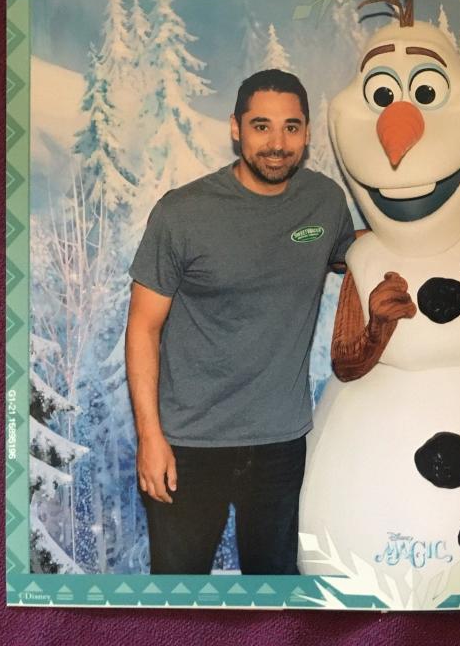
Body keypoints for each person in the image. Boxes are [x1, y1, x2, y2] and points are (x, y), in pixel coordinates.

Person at [126, 69, 355, 575]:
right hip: (189, 443)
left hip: (279, 443)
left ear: (309, 132)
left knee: (275, 602)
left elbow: (358, 258)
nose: (277, 143)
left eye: (291, 127)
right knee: (177, 598)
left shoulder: (325, 203)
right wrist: (151, 438)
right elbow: (143, 327)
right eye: (261, 126)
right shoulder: (183, 213)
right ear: (235, 128)